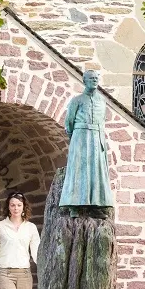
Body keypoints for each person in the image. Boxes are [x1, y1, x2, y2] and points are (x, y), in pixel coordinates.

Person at [59, 69, 114, 217]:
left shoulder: (102, 101)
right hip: (80, 137)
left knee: (96, 171)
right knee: (78, 170)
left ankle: (96, 205)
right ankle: (74, 206)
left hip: (97, 138)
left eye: (96, 78)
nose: (94, 80)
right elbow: (69, 122)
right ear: (84, 81)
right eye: (91, 78)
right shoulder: (76, 100)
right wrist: (77, 138)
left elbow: (102, 121)